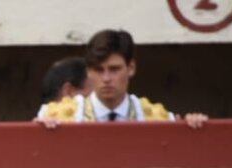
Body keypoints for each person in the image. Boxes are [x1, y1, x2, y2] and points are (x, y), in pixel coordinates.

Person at [38, 30, 207, 128]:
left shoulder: (159, 119)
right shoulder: (56, 117)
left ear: (131, 68)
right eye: (98, 70)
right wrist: (40, 132)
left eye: (114, 69)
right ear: (88, 72)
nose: (106, 78)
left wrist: (195, 126)